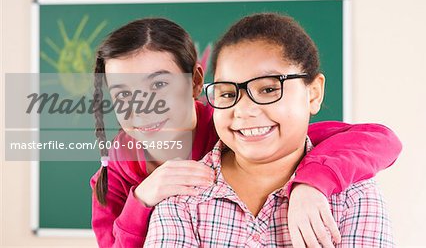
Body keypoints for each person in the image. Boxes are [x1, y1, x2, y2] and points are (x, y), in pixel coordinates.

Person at [90, 17, 401, 248]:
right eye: (123, 93)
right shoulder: (122, 179)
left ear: (196, 83)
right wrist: (143, 199)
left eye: (159, 85)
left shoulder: (239, 127)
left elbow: (378, 140)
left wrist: (311, 184)